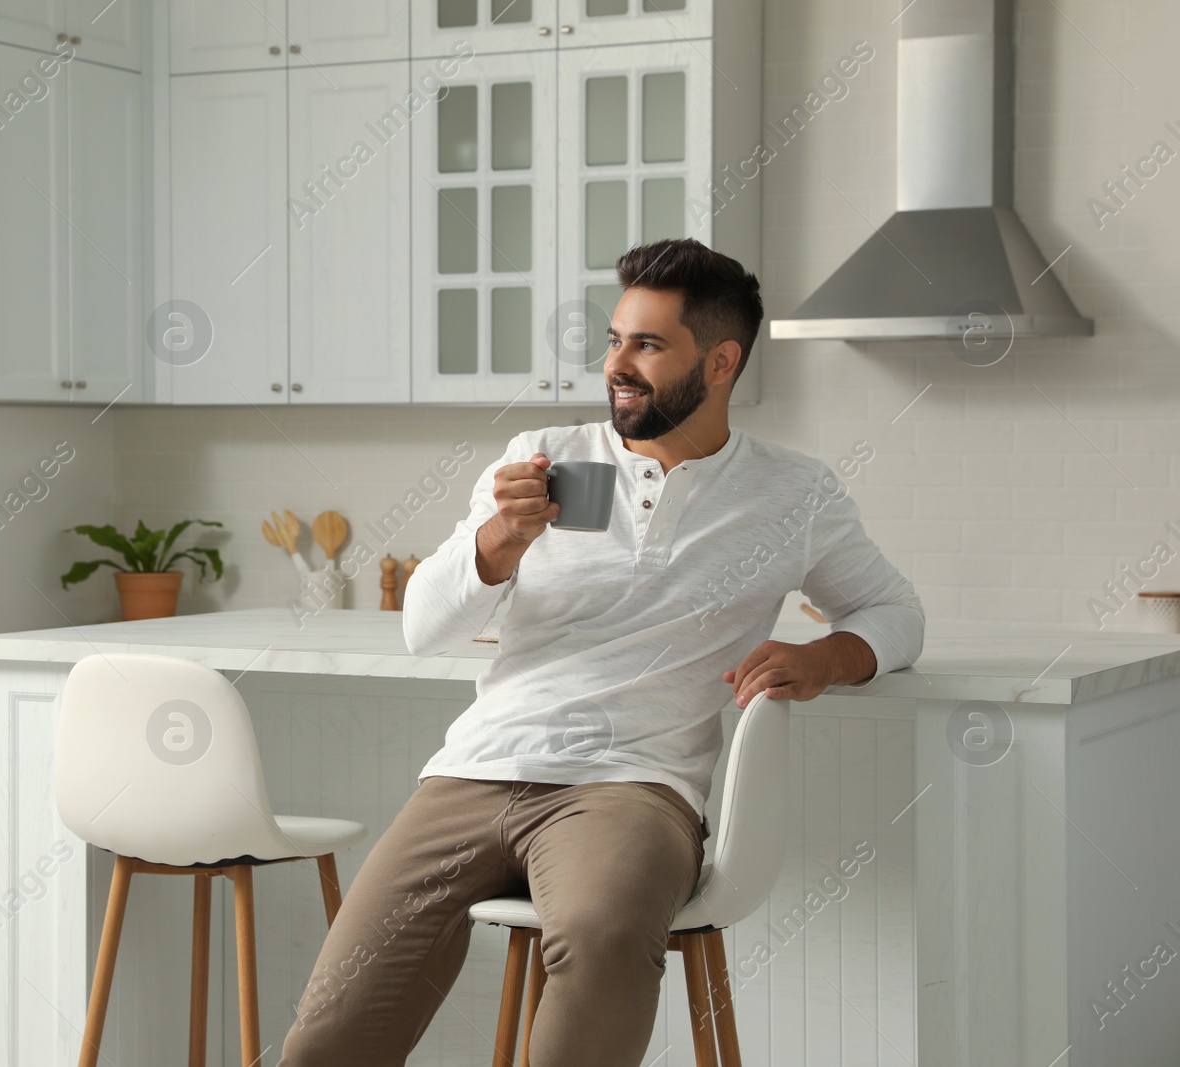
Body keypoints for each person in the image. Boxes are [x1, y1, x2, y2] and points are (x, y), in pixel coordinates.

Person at [277, 238, 924, 1067]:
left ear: (721, 361)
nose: (616, 363)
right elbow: (423, 628)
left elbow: (895, 611)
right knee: (332, 1025)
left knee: (603, 937)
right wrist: (501, 537)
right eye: (615, 338)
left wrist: (828, 657)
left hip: (633, 784)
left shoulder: (793, 493)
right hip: (474, 771)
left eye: (647, 345)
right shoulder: (540, 459)